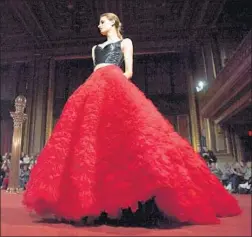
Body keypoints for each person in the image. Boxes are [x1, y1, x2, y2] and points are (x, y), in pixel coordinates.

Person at [23, 12, 241, 227]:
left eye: (103, 22)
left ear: (114, 22)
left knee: (128, 135)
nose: (99, 26)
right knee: (88, 141)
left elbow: (128, 71)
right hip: (92, 89)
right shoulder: (95, 49)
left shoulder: (125, 42)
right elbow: (95, 70)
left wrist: (113, 82)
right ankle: (86, 201)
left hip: (115, 84)